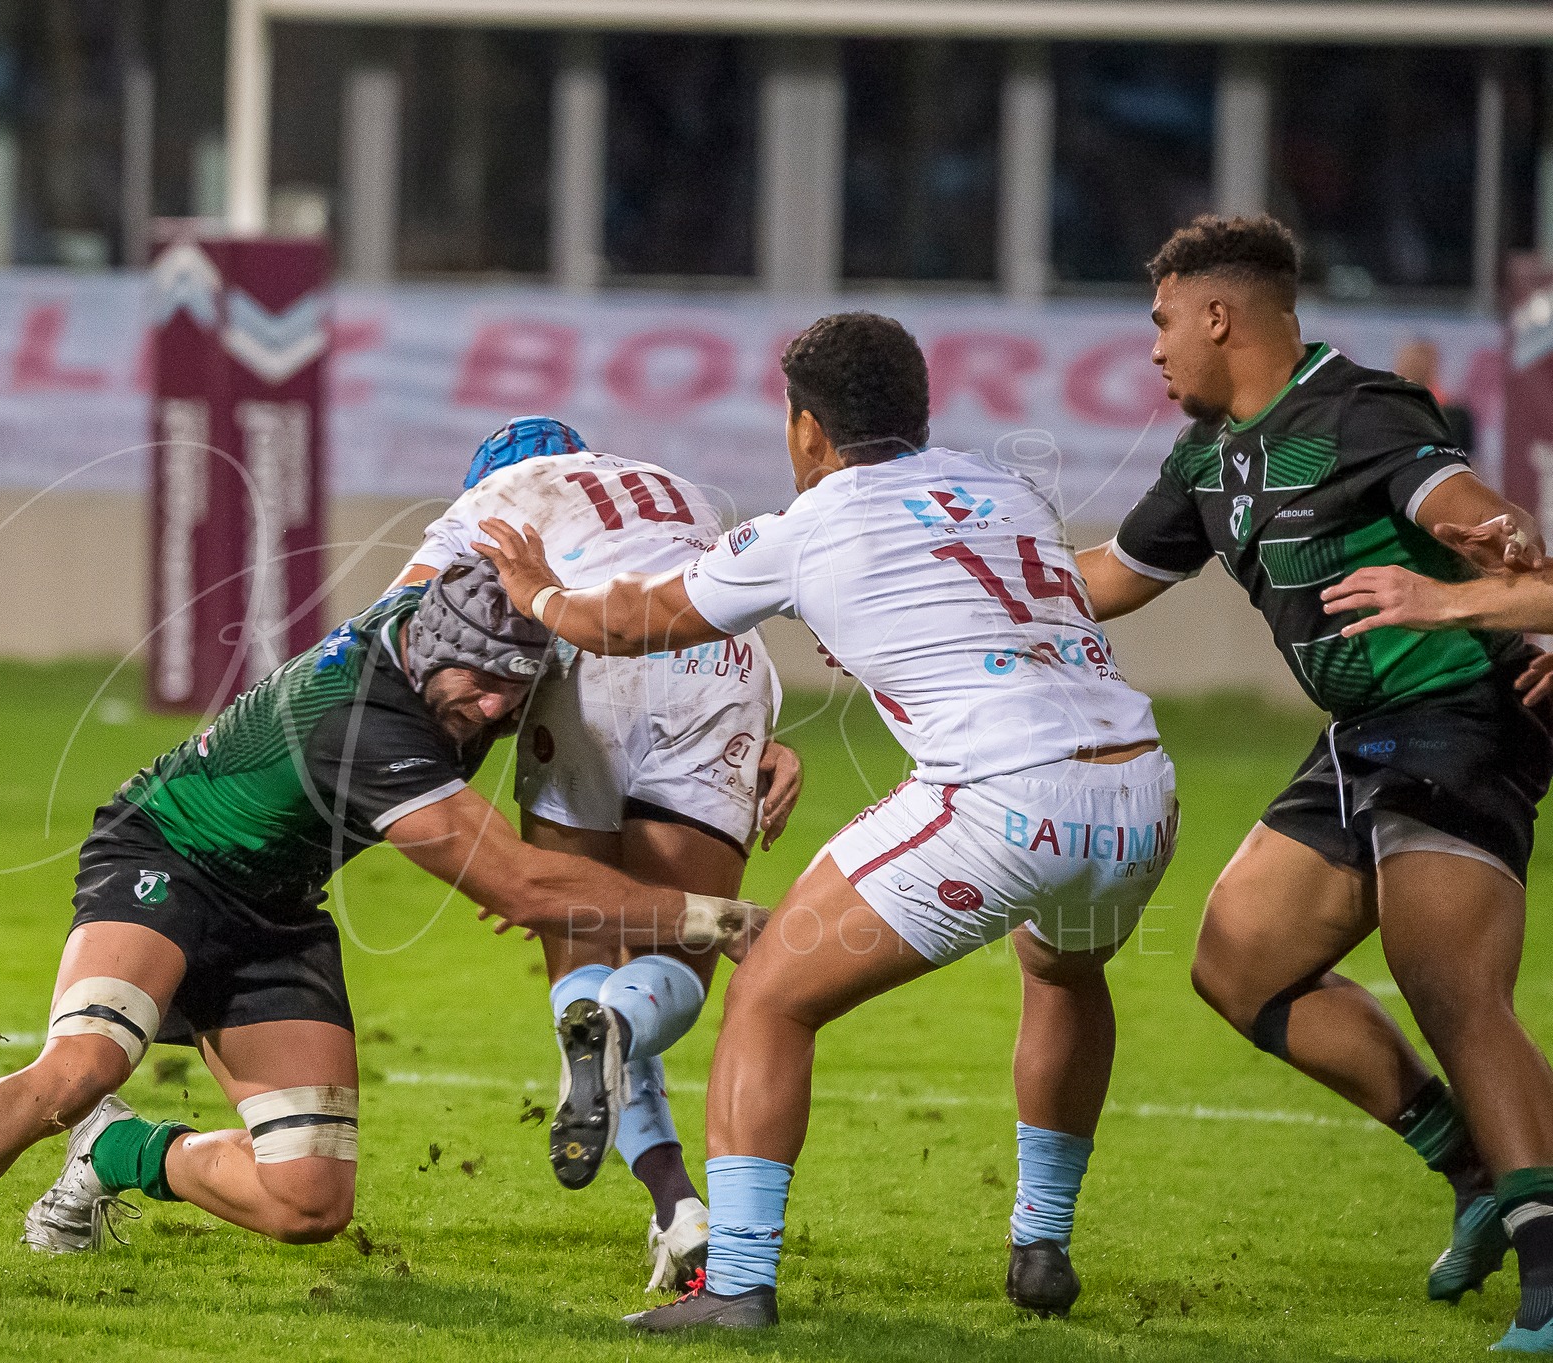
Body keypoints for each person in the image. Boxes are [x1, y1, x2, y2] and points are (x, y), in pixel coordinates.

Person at [0, 559, 768, 1292]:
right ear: (432, 653)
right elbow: (510, 888)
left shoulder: (442, 625)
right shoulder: (368, 725)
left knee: (307, 1206)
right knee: (82, 1065)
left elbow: (605, 674)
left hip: (276, 911)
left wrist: (757, 742)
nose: (496, 704)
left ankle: (119, 1158)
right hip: (163, 857)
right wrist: (704, 915)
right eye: (480, 682)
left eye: (513, 685)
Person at [478, 312, 1179, 1330]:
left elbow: (630, 620)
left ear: (807, 429)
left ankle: (736, 1285)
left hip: (1003, 792)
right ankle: (1039, 1243)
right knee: (1063, 972)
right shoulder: (1010, 489)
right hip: (1140, 795)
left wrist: (538, 591)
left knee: (767, 993)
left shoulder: (810, 521)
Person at [1076, 213, 1553, 1353]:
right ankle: (1471, 1168)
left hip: (1461, 717)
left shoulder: (1362, 411)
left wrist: (1472, 565)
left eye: (1159, 324)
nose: (1152, 351)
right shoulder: (1205, 459)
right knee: (1236, 964)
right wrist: (945, 592)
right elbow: (1105, 579)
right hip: (1363, 733)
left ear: (1215, 315)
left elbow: (1487, 530)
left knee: (1441, 973)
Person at [391, 415, 801, 1292]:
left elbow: (401, 630)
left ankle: (666, 1186)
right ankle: (677, 1207)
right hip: (721, 667)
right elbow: (710, 595)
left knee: (577, 941)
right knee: (676, 967)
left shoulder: (496, 495)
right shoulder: (674, 485)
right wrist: (765, 736)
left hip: (584, 657)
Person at [1393, 338, 1477, 459]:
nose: (1416, 367)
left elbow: (1471, 462)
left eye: (1421, 362)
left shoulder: (1456, 415)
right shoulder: (1384, 411)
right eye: (1411, 362)